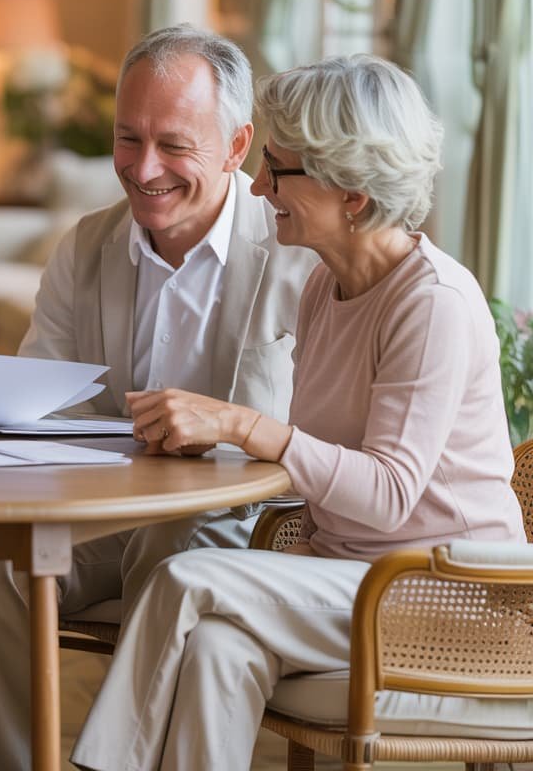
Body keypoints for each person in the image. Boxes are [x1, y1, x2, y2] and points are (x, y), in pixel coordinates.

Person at [70, 54, 527, 771]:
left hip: (444, 592)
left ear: (349, 190)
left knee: (186, 578)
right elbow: (323, 470)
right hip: (350, 578)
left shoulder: (432, 301)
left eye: (277, 170)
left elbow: (386, 494)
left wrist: (245, 425)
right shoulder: (324, 287)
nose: (257, 186)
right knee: (220, 649)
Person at [0, 24, 316, 770]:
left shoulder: (296, 255)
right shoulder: (85, 246)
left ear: (237, 145)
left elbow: (322, 432)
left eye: (174, 145)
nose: (144, 168)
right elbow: (39, 406)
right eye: (129, 138)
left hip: (248, 519)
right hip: (108, 510)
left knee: (170, 543)